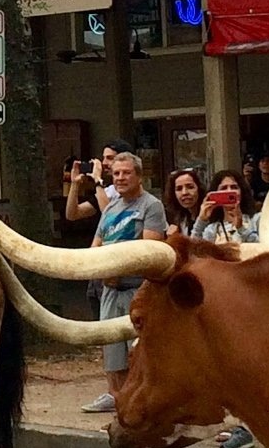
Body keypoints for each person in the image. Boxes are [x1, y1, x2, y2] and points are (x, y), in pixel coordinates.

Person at [79, 151, 165, 416]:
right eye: (116, 173)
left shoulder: (151, 206)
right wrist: (99, 268)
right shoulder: (111, 209)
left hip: (136, 291)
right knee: (113, 356)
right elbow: (96, 245)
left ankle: (143, 410)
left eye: (126, 172)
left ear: (139, 176)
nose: (120, 178)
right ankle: (120, 409)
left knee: (139, 355)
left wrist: (118, 267)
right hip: (109, 290)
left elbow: (152, 249)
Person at [196, 170, 258, 246]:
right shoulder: (212, 229)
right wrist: (201, 221)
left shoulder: (256, 219)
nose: (229, 191)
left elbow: (264, 249)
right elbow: (194, 250)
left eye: (234, 187)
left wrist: (241, 228)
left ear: (242, 191)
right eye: (223, 188)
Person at [163, 167, 206, 239]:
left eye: (190, 187)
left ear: (199, 189)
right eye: (179, 189)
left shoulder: (209, 216)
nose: (184, 193)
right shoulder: (180, 218)